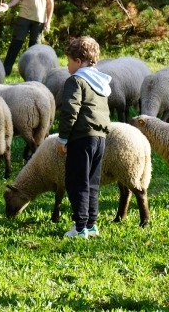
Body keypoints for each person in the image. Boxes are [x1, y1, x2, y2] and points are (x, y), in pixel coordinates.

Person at [57, 36, 111, 239]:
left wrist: (63, 138)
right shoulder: (101, 83)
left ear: (78, 61)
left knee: (77, 181)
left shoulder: (76, 80)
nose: (67, 65)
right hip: (100, 138)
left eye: (69, 61)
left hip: (81, 137)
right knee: (92, 182)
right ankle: (91, 224)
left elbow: (71, 110)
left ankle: (79, 228)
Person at [0, 0, 55, 76]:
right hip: (24, 17)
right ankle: (5, 72)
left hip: (39, 20)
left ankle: (32, 75)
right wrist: (7, 6)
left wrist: (48, 21)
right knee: (16, 44)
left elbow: (50, 4)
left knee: (34, 50)